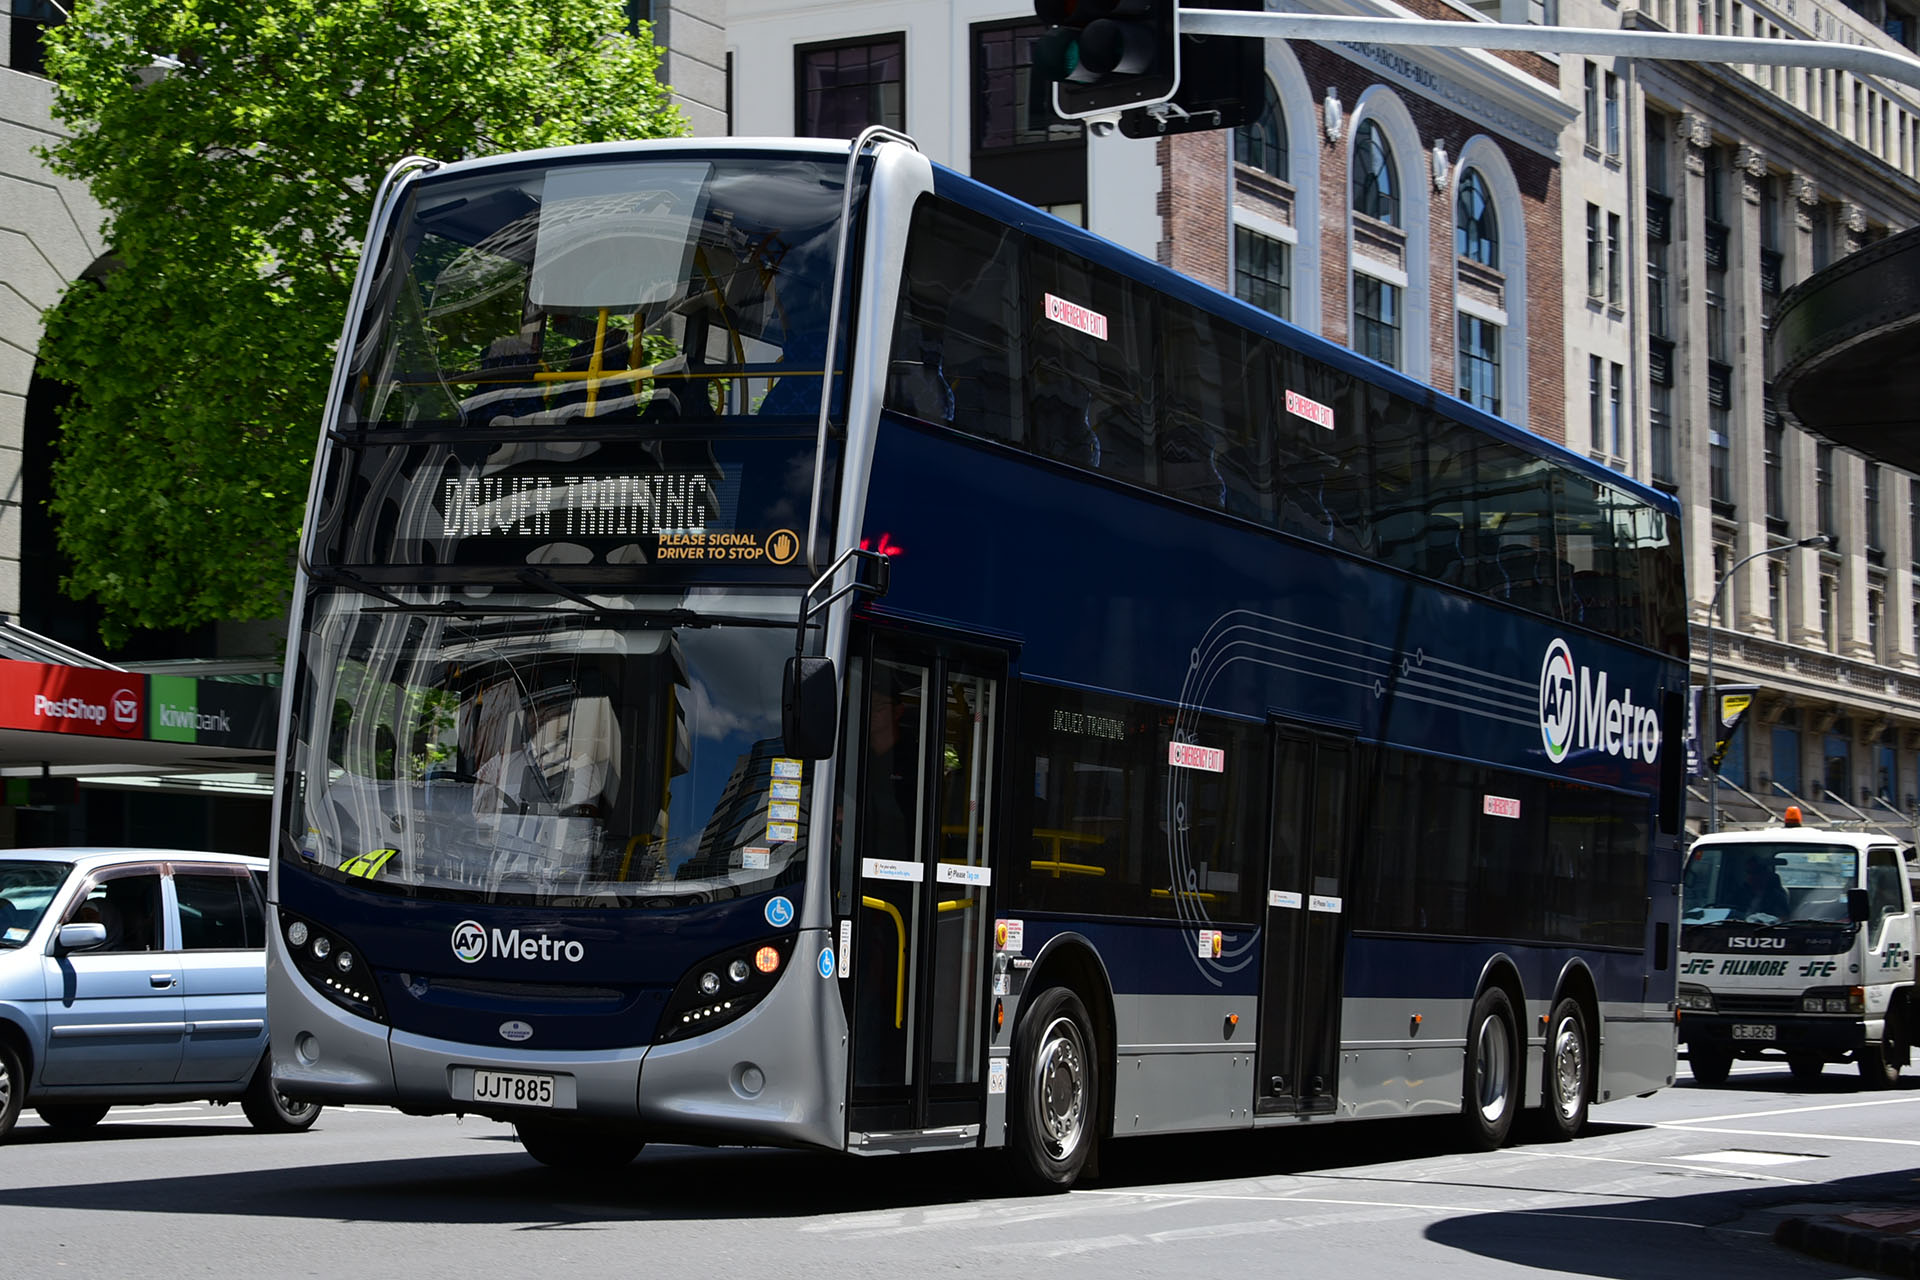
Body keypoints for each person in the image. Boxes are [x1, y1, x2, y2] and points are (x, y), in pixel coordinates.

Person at [1731, 852, 1790, 920]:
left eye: (1755, 872)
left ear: (1765, 874)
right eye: (1749, 872)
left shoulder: (1777, 896)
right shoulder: (1738, 894)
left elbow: (1784, 918)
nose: (1752, 876)